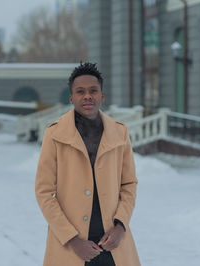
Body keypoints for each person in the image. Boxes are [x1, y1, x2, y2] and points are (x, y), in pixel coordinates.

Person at [35, 62, 140, 266]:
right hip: (71, 248)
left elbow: (129, 184)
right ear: (71, 97)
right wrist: (73, 240)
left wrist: (120, 227)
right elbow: (44, 192)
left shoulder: (120, 133)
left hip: (114, 246)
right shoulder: (54, 134)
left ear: (102, 96)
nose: (87, 96)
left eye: (93, 91)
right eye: (80, 91)